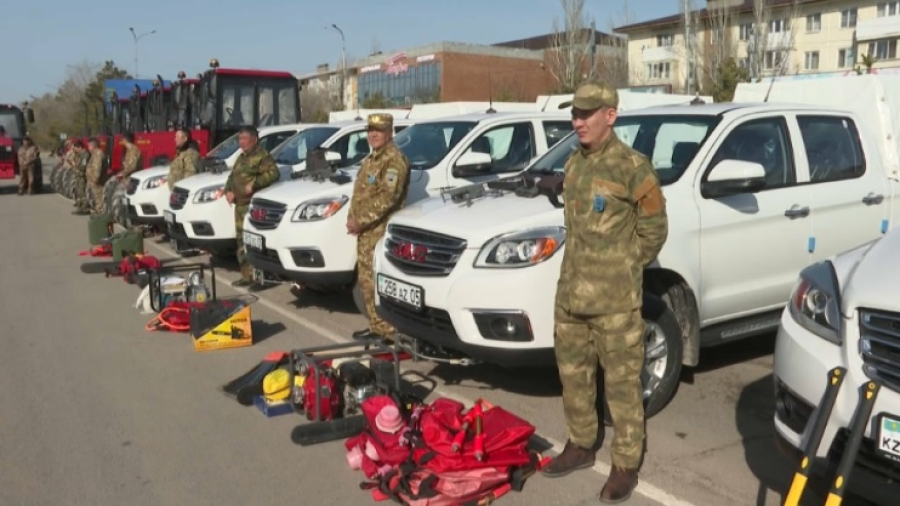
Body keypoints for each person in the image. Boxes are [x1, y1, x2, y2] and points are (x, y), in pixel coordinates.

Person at [539, 81, 668, 504]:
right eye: (574, 114)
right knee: (573, 377)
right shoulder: (575, 164)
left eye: (586, 113)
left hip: (614, 303)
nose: (577, 121)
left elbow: (654, 230)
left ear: (610, 115)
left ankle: (626, 464)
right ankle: (579, 444)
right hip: (571, 296)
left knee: (622, 385)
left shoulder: (633, 167)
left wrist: (624, 266)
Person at [347, 113, 411, 342]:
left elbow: (388, 197)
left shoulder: (394, 160)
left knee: (376, 280)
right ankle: (376, 326)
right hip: (366, 230)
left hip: (379, 230)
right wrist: (352, 216)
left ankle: (387, 331)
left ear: (389, 132)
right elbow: (361, 192)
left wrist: (360, 220)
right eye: (370, 130)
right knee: (366, 280)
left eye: (379, 130)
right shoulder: (372, 159)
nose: (373, 134)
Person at [224, 126, 280, 287]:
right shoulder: (241, 157)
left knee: (255, 242)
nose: (241, 143)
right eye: (239, 139)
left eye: (244, 139)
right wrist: (228, 190)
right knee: (241, 241)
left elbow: (273, 173)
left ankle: (260, 277)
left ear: (254, 140)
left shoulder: (262, 156)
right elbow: (232, 176)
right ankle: (247, 276)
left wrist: (255, 184)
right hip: (239, 206)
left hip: (253, 208)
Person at [85, 138, 107, 214]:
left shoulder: (98, 154)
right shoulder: (95, 154)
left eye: (89, 146)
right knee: (97, 199)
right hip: (95, 182)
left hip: (98, 182)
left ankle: (101, 215)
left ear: (93, 146)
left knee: (99, 199)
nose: (88, 148)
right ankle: (99, 212)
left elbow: (97, 168)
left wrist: (95, 180)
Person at [71, 141, 91, 215]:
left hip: (83, 176)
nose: (75, 150)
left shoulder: (85, 155)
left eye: (76, 148)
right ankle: (81, 207)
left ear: (80, 147)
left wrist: (75, 165)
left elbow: (83, 166)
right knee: (79, 192)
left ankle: (85, 208)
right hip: (79, 175)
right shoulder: (80, 155)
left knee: (82, 192)